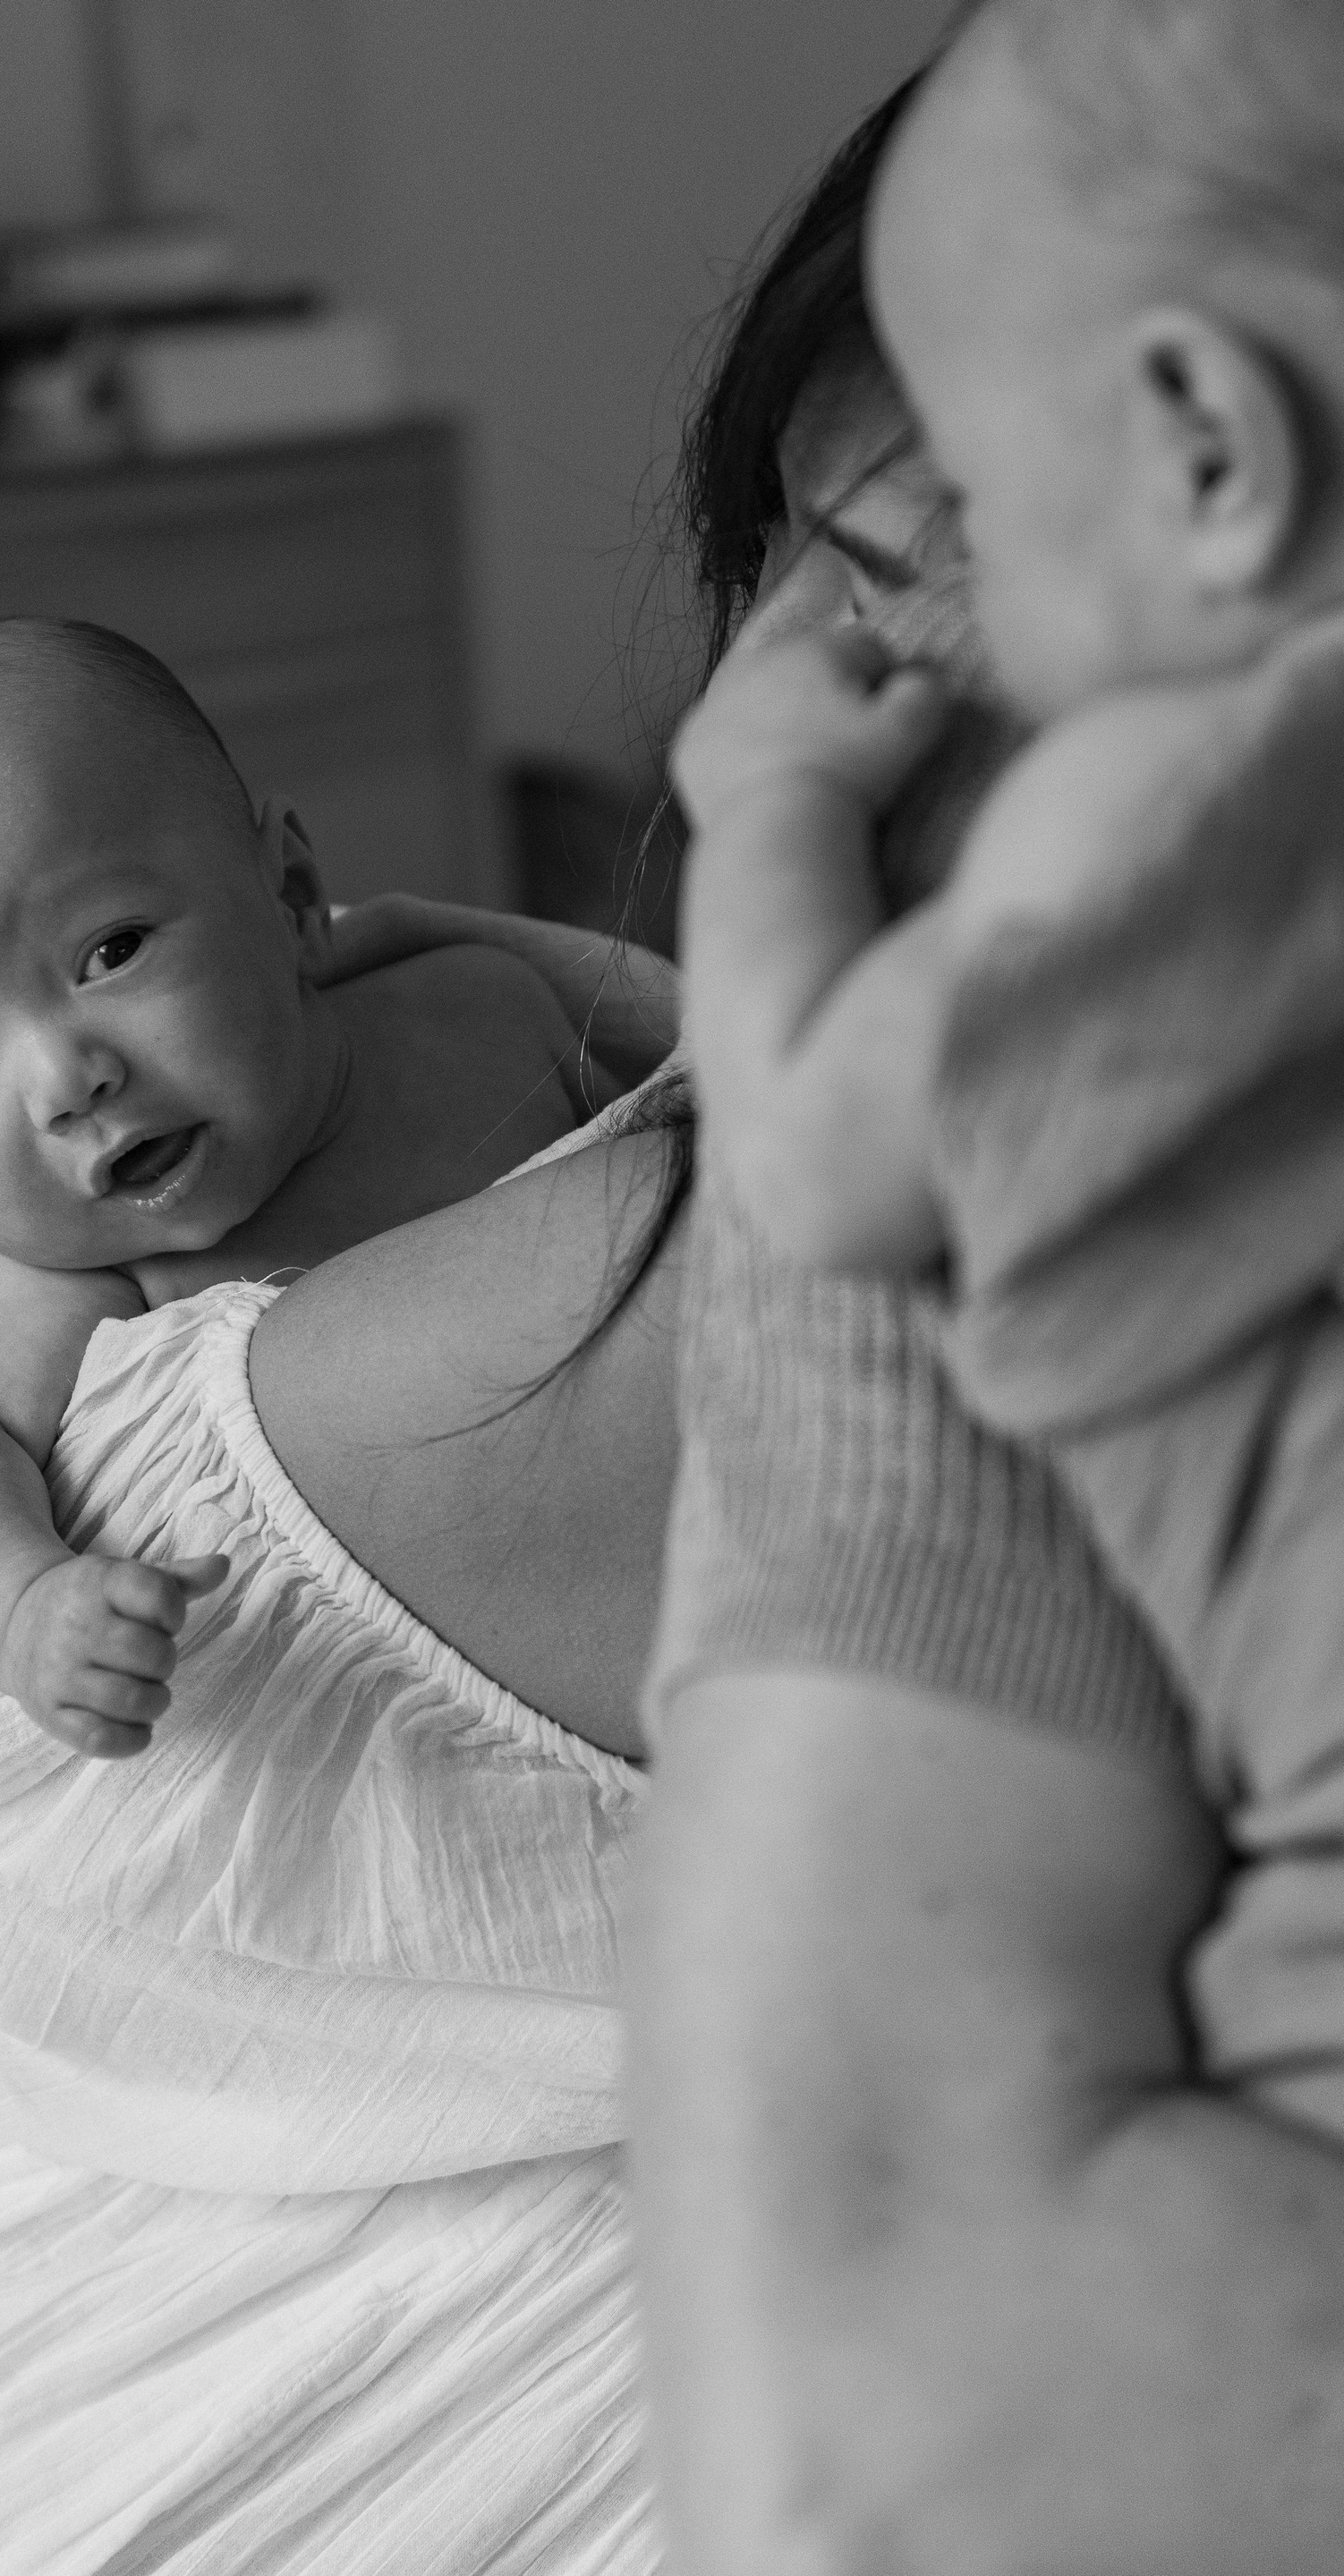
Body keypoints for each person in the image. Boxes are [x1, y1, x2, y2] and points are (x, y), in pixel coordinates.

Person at [634, 14, 1344, 2572]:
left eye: (928, 574)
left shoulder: (1161, 800)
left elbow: (819, 1136)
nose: (855, 686)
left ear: (1205, 443)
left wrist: (769, 817)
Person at [0, 615, 640, 1756]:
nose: (64, 1082)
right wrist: (24, 1612)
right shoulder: (67, 1279)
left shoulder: (483, 1008)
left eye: (110, 951)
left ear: (291, 893)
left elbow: (688, 1145)